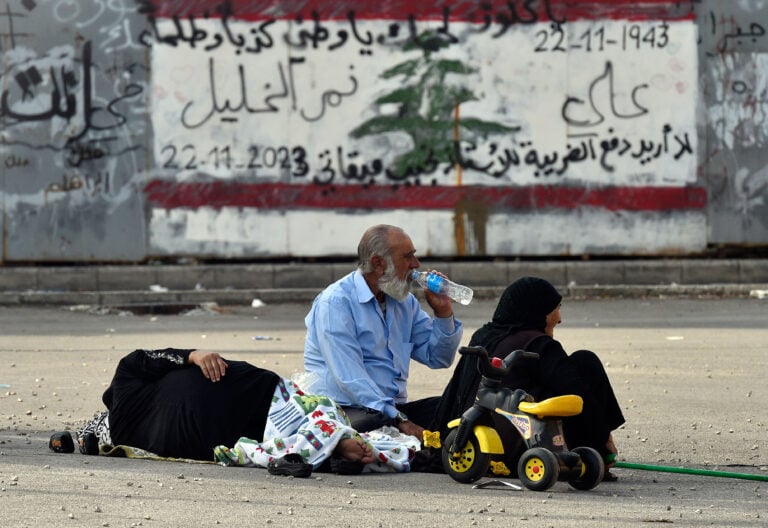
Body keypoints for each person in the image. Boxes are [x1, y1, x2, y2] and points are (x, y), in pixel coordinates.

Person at [73, 348, 419, 474]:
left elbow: (141, 359)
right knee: (309, 415)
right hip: (248, 400)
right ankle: (336, 439)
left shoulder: (123, 431)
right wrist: (191, 355)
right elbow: (143, 359)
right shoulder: (127, 392)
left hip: (239, 422)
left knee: (290, 435)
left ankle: (333, 443)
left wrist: (193, 355)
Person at [434, 276, 625, 479]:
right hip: (526, 452)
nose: (559, 319)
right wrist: (603, 439)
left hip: (475, 451)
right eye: (557, 308)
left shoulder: (484, 336)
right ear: (538, 310)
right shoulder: (539, 344)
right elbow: (579, 395)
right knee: (585, 363)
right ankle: (591, 452)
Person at [303, 224, 463, 451]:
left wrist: (443, 312)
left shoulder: (404, 302)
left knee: (457, 409)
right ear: (378, 263)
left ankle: (400, 442)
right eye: (408, 257)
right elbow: (350, 378)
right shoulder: (336, 302)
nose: (416, 265)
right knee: (375, 423)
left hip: (391, 409)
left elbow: (439, 358)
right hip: (345, 407)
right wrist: (400, 420)